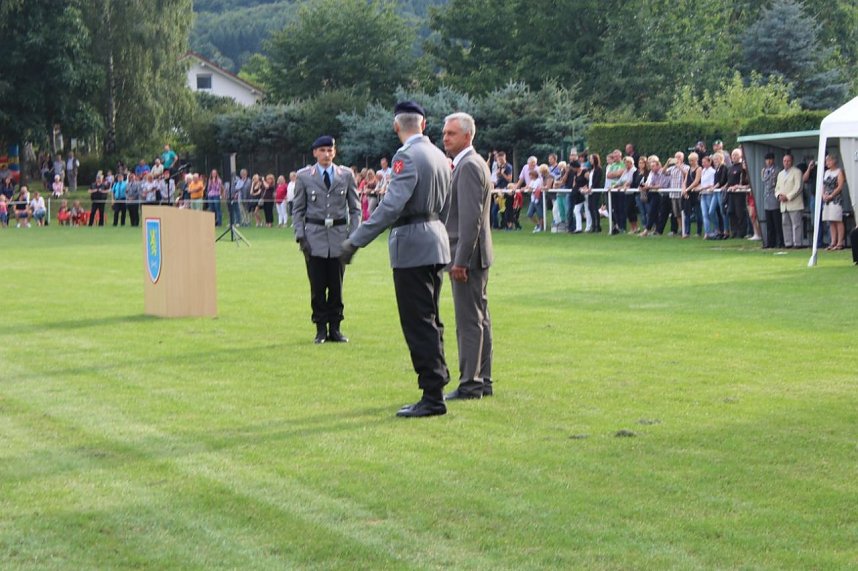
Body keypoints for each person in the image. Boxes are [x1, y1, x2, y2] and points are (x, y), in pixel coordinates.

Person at [340, 101, 452, 418]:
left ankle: (432, 395)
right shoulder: (439, 155)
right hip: (435, 240)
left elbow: (390, 207)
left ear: (396, 126)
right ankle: (437, 385)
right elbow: (447, 202)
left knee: (418, 322)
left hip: (413, 246)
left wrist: (355, 242)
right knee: (431, 319)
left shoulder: (406, 157)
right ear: (424, 124)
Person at [441, 112, 494, 400]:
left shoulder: (469, 166)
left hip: (468, 257)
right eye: (445, 132)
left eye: (451, 133)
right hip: (473, 254)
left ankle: (471, 384)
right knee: (480, 319)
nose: (445, 137)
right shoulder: (472, 164)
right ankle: (482, 380)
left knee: (469, 321)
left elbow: (470, 220)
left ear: (467, 136)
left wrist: (459, 261)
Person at [293, 135, 360, 344]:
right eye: (322, 150)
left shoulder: (346, 175)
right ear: (315, 153)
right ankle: (321, 329)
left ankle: (336, 328)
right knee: (318, 286)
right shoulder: (305, 176)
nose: (326, 154)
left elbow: (355, 208)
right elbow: (298, 210)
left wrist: (353, 236)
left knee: (337, 286)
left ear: (335, 152)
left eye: (330, 150)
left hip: (339, 237)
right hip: (314, 237)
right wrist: (300, 237)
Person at [775, 153, 804, 248]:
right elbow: (777, 188)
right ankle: (788, 243)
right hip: (783, 204)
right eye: (784, 161)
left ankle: (797, 243)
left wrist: (787, 196)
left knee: (796, 224)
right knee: (785, 224)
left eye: (788, 161)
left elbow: (798, 187)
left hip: (794, 202)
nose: (786, 163)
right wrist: (779, 195)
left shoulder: (797, 172)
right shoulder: (780, 174)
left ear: (792, 161)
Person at [821, 154, 847, 251]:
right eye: (826, 161)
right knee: (830, 221)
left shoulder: (839, 171)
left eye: (829, 161)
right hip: (827, 200)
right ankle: (833, 241)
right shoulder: (826, 172)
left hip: (836, 199)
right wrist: (823, 195)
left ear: (834, 161)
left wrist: (832, 195)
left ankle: (840, 242)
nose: (827, 163)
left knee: (837, 220)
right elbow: (823, 185)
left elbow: (840, 186)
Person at [761, 153, 784, 249]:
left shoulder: (777, 170)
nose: (768, 161)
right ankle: (770, 242)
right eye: (767, 160)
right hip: (767, 198)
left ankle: (780, 242)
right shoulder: (764, 170)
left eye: (770, 159)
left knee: (777, 222)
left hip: (774, 198)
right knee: (769, 223)